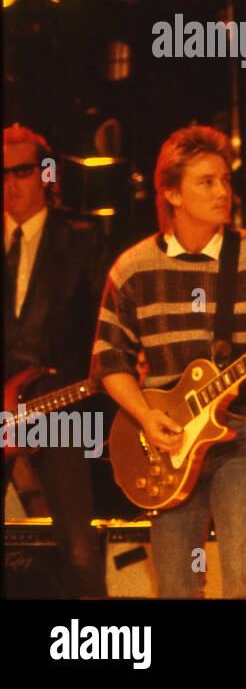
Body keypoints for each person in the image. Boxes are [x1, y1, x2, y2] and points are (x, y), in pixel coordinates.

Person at [90, 125, 246, 598]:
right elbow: (109, 359)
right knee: (176, 584)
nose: (222, 192)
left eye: (225, 180)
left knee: (243, 575)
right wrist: (144, 415)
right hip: (167, 439)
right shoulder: (132, 267)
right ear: (172, 192)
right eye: (206, 182)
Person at [4, 124, 112, 597]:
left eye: (22, 170)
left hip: (57, 404)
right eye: (2, 172)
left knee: (79, 546)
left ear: (45, 173)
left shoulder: (83, 238)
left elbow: (107, 324)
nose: (11, 182)